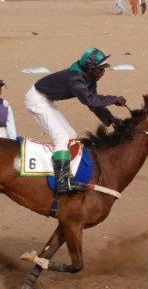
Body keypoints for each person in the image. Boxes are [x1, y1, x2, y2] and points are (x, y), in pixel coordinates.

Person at [25, 48, 126, 193]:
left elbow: (93, 103)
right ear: (90, 68)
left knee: (70, 134)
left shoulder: (89, 78)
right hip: (36, 99)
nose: (103, 72)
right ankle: (61, 182)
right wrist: (114, 99)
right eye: (101, 69)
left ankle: (68, 176)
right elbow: (88, 99)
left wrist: (111, 119)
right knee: (61, 136)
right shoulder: (75, 78)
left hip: (46, 100)